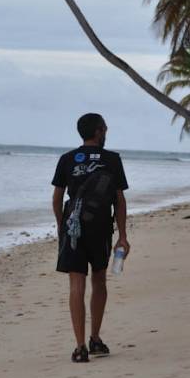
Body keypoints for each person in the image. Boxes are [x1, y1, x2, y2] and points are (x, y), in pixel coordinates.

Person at [52, 113, 130, 362]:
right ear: (98, 131)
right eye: (105, 128)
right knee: (99, 280)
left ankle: (79, 347)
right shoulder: (112, 159)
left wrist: (60, 227)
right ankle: (95, 339)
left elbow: (57, 197)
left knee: (76, 285)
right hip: (100, 228)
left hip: (73, 227)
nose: (106, 132)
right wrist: (123, 236)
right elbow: (119, 199)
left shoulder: (66, 160)